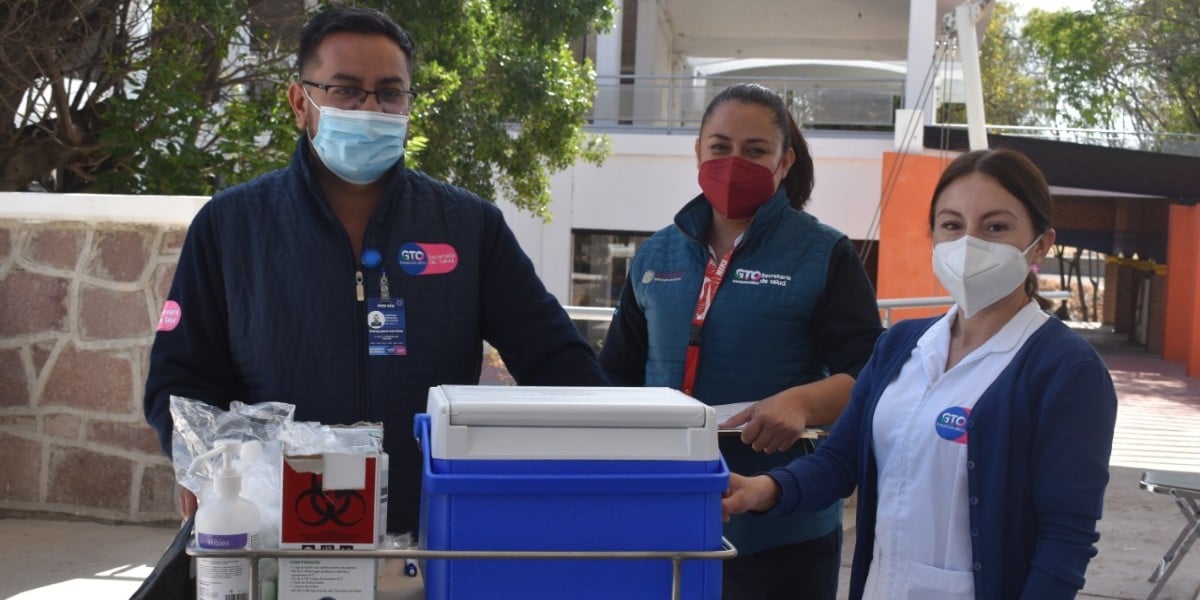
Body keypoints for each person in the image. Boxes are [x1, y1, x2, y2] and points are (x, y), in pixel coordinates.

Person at [143, 6, 608, 536]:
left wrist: (631, 448)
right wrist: (206, 468)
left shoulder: (469, 227)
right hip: (280, 535)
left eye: (389, 93)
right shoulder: (230, 226)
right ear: (301, 103)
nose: (370, 108)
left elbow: (556, 359)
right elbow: (180, 381)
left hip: (432, 535)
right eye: (345, 90)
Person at [721, 148, 1119, 600]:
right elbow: (840, 461)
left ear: (1042, 244)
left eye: (995, 227)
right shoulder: (900, 345)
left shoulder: (1067, 371)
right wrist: (761, 489)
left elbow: (1066, 537)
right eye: (952, 225)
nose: (969, 244)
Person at [600, 83, 884, 599]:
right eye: (720, 146)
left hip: (782, 529)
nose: (734, 163)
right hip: (664, 517)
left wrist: (802, 402)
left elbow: (873, 374)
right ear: (698, 151)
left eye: (755, 151)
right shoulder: (655, 255)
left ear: (784, 161)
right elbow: (615, 375)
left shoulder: (823, 253)